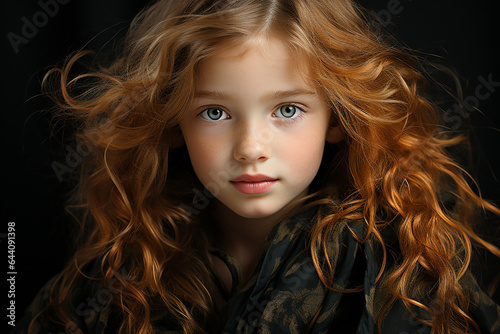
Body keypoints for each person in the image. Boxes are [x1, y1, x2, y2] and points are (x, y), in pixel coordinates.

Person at [13, 0, 500, 333]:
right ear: (172, 122)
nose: (250, 148)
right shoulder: (122, 274)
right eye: (215, 113)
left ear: (336, 117)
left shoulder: (395, 272)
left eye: (287, 110)